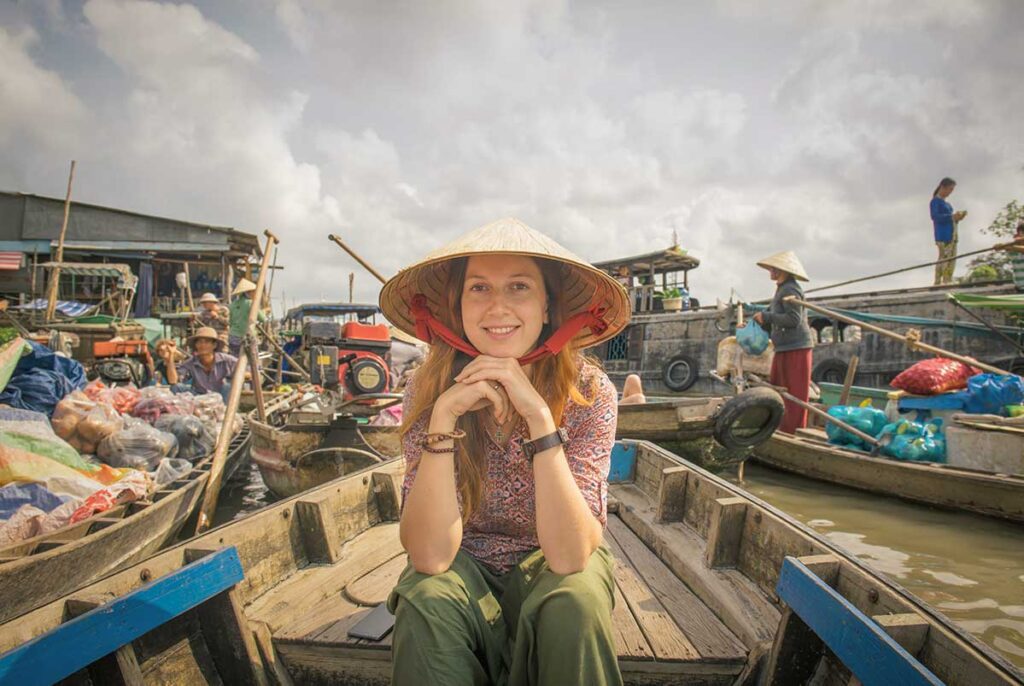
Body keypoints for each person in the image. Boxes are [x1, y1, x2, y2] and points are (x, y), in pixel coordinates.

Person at [378, 217, 630, 686]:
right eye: (478, 288)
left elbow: (571, 555)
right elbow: (430, 558)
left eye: (519, 287)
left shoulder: (590, 391)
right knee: (424, 600)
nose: (497, 306)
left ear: (548, 307)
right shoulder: (426, 388)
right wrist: (442, 421)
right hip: (462, 563)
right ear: (457, 306)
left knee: (576, 601)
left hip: (550, 562)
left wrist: (539, 419)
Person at [752, 251, 814, 434]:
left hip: (797, 347)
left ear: (782, 270)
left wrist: (767, 316)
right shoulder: (781, 288)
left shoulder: (790, 289)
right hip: (784, 347)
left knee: (794, 391)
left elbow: (793, 319)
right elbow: (771, 313)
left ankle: (793, 430)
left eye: (773, 268)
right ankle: (781, 426)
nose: (770, 271)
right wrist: (758, 318)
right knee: (778, 386)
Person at [163, 327, 238, 398]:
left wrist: (236, 375)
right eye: (199, 342)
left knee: (228, 386)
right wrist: (171, 355)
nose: (202, 345)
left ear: (214, 345)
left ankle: (225, 410)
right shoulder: (191, 363)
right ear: (196, 345)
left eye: (207, 342)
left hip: (222, 397)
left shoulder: (227, 360)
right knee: (176, 387)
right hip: (200, 397)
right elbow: (173, 381)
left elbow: (246, 371)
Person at [930, 177, 967, 286]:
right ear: (943, 187)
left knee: (951, 258)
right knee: (944, 258)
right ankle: (942, 281)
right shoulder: (935, 202)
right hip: (943, 234)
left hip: (952, 233)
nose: (950, 192)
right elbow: (935, 217)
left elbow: (951, 219)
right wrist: (951, 217)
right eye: (950, 189)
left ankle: (947, 279)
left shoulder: (947, 204)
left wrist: (957, 218)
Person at [228, 278, 266, 356]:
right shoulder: (251, 303)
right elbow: (263, 319)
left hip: (233, 337)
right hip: (247, 337)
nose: (255, 293)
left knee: (234, 360)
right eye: (253, 291)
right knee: (252, 360)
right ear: (248, 292)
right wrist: (264, 312)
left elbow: (231, 322)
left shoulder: (232, 305)